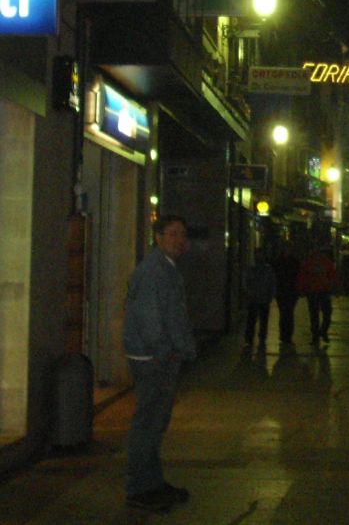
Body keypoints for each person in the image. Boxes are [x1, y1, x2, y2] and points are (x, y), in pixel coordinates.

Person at [122, 215, 197, 512]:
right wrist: (166, 351)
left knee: (155, 424)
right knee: (148, 424)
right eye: (173, 234)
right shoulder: (153, 271)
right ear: (158, 237)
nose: (179, 240)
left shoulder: (165, 268)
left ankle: (152, 482)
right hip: (153, 359)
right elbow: (150, 317)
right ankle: (139, 488)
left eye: (183, 234)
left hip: (159, 355)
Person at [298, 245, 338, 347]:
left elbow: (303, 276)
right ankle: (321, 332)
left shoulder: (309, 262)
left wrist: (302, 289)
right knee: (325, 313)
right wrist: (332, 286)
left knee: (314, 315)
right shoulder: (324, 262)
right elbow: (332, 276)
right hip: (322, 291)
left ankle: (316, 335)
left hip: (314, 291)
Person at [242, 248, 276, 351]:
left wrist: (270, 295)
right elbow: (245, 282)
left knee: (262, 320)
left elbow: (272, 283)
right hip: (254, 298)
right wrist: (248, 292)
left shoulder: (267, 269)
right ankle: (250, 339)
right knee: (252, 320)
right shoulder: (251, 269)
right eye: (257, 254)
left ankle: (261, 338)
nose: (259, 257)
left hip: (263, 298)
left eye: (260, 255)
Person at [272, 243, 301, 344]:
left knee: (288, 313)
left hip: (291, 291)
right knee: (284, 313)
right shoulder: (280, 262)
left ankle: (287, 335)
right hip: (282, 291)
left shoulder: (291, 262)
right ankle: (284, 334)